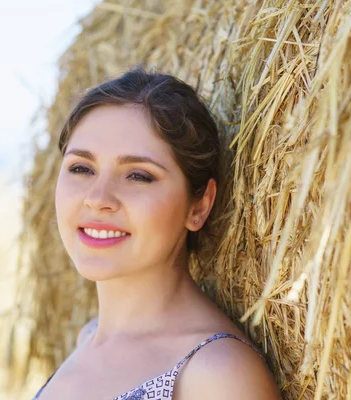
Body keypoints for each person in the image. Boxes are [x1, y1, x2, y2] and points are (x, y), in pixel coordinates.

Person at [32, 68, 281, 400]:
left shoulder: (216, 375)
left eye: (138, 175)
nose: (98, 198)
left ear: (199, 206)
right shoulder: (88, 338)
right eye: (81, 168)